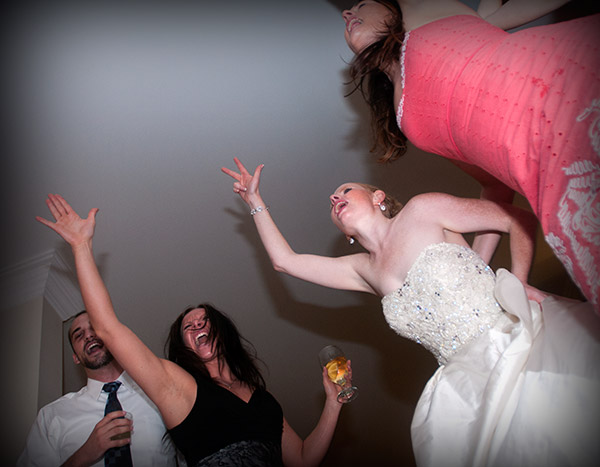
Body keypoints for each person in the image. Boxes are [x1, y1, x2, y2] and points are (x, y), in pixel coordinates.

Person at [222, 157, 600, 467]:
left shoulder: (423, 210)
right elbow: (285, 262)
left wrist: (518, 284)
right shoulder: (363, 270)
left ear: (378, 197)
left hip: (516, 337)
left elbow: (513, 219)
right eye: (331, 201)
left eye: (345, 191)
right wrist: (254, 200)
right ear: (345, 233)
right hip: (466, 388)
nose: (334, 198)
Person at [35, 193, 345, 467]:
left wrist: (333, 402)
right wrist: (81, 246)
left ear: (222, 332)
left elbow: (303, 458)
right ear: (183, 345)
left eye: (204, 320)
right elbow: (108, 329)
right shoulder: (177, 388)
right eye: (188, 326)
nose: (197, 324)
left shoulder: (265, 401)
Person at [340, 0, 600, 311]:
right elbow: (494, 185)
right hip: (560, 183)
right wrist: (480, 271)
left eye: (362, 3)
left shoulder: (419, 12)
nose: (347, 13)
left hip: (573, 87)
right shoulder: (404, 116)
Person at [17, 311, 177, 467]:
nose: (88, 336)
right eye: (79, 335)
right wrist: (84, 455)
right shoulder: (51, 416)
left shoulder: (157, 394)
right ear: (76, 358)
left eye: (94, 328)